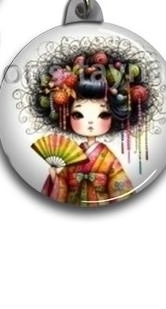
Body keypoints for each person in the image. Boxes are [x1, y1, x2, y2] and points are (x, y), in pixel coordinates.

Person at [34, 56, 141, 206]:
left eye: (103, 115)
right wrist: (55, 177)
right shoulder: (72, 155)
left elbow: (120, 190)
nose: (90, 122)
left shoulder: (107, 157)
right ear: (67, 115)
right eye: (78, 115)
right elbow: (61, 186)